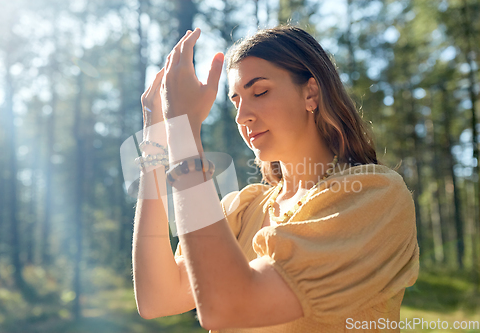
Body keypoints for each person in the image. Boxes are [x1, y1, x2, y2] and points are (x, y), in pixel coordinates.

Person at [132, 25, 419, 333]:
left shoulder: (374, 197)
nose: (242, 116)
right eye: (235, 101)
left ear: (310, 93)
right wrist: (155, 140)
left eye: (260, 92)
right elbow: (156, 298)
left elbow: (228, 308)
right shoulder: (245, 208)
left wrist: (185, 134)